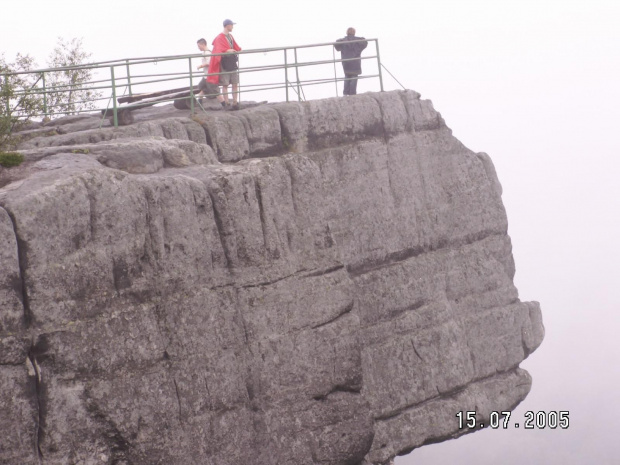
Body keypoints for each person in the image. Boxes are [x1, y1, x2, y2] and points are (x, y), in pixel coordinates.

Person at [208, 19, 242, 110]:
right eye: (231, 25)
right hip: (224, 63)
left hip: (232, 62)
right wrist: (227, 50)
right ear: (227, 25)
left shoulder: (230, 36)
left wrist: (238, 49)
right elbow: (219, 49)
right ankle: (227, 103)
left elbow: (235, 46)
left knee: (235, 83)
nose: (233, 27)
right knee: (225, 84)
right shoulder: (219, 37)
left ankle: (235, 102)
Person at [334, 28, 368, 96]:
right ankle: (352, 94)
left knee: (347, 76)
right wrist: (358, 38)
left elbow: (336, 44)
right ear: (354, 32)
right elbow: (365, 42)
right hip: (355, 62)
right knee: (354, 77)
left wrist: (343, 39)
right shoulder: (358, 41)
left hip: (346, 62)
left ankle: (345, 93)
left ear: (347, 33)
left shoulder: (343, 41)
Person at [196, 38, 227, 108]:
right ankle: (199, 103)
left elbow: (209, 63)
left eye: (199, 46)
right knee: (202, 87)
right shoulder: (207, 52)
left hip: (209, 75)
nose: (198, 48)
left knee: (215, 91)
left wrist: (201, 66)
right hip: (206, 75)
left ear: (203, 44)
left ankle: (224, 105)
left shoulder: (207, 53)